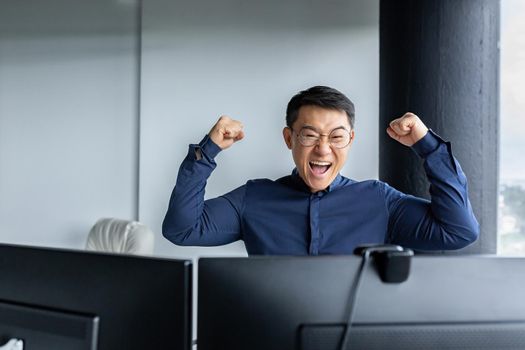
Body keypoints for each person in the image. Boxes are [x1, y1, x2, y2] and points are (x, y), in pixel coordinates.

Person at [162, 86, 479, 255]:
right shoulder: (253, 199)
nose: (323, 148)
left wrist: (427, 146)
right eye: (310, 135)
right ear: (290, 139)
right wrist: (206, 153)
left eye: (337, 137)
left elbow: (458, 231)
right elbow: (181, 229)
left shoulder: (380, 201)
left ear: (350, 140)